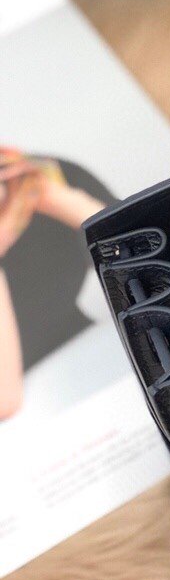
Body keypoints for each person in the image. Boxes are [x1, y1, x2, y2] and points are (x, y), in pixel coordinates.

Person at [0, 148, 114, 419]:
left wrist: (58, 199)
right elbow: (5, 400)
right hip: (33, 423)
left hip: (97, 365)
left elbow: (152, 264)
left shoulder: (38, 176)